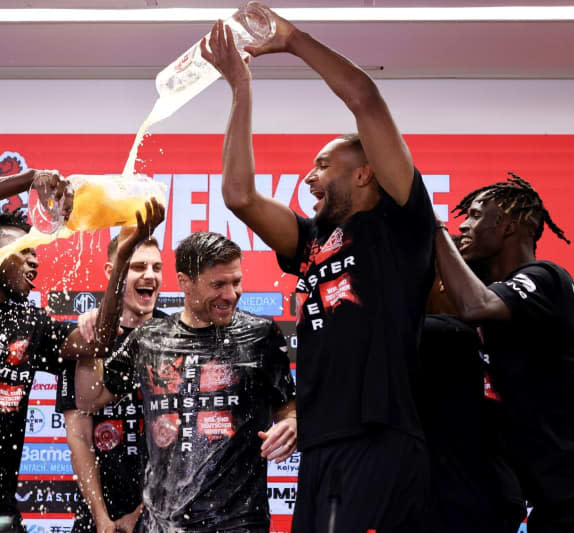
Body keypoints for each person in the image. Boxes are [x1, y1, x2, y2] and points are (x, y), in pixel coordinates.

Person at [201, 5, 435, 531]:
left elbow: (366, 99)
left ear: (365, 175)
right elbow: (238, 195)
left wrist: (293, 40)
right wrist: (241, 89)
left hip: (379, 436)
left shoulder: (400, 221)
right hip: (324, 440)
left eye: (323, 164)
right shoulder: (312, 241)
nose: (309, 177)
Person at [0, 167, 164, 532]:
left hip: (0, 517)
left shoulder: (31, 324)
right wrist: (28, 180)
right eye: (24, 250)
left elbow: (98, 341)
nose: (36, 259)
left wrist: (123, 258)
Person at [434, 173, 574, 532]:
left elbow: (476, 305)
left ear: (508, 226)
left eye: (476, 215)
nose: (465, 224)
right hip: (551, 503)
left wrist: (436, 230)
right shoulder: (492, 303)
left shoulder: (545, 277)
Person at [77, 231, 297, 533]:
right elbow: (90, 399)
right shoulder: (150, 339)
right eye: (218, 284)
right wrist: (93, 340)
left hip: (239, 523)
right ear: (184, 282)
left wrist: (292, 424)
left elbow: (288, 409)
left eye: (236, 282)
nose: (231, 294)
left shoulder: (261, 336)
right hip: (161, 525)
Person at [57, 234, 165, 533]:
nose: (150, 275)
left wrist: (141, 514)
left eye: (157, 267)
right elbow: (79, 437)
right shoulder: (84, 339)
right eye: (138, 266)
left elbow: (184, 442)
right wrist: (101, 518)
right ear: (112, 271)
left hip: (162, 513)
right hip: (97, 517)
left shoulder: (175, 337)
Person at [415, 258, 524, 533]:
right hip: (493, 494)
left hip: (459, 502)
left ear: (443, 284)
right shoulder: (492, 341)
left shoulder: (440, 334)